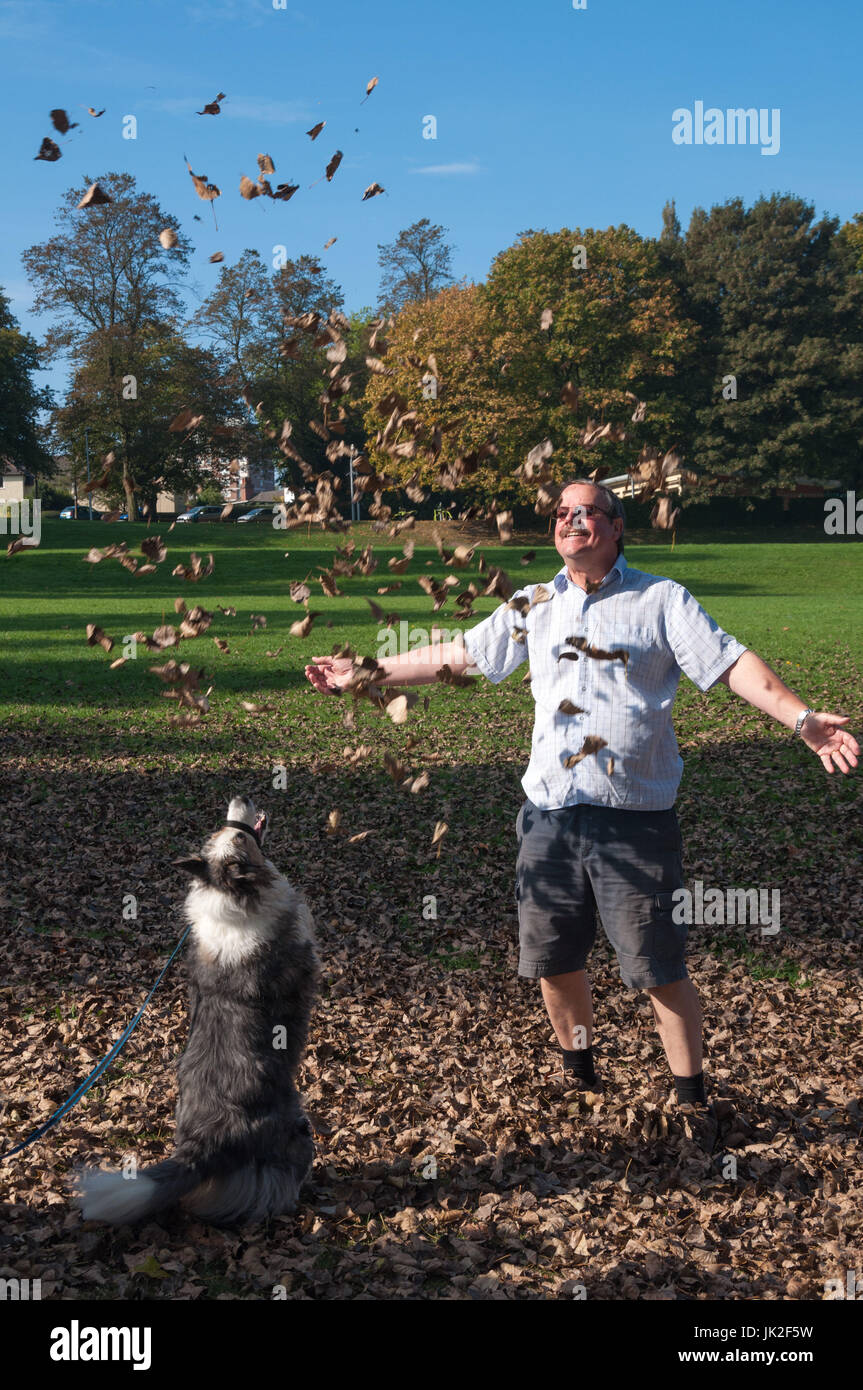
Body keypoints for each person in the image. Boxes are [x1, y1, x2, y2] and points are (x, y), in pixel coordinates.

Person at [305, 480, 858, 1119]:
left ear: (616, 527)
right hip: (550, 817)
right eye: (563, 513)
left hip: (634, 820)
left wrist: (801, 719)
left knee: (657, 965)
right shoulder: (533, 602)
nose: (573, 521)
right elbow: (462, 655)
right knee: (552, 956)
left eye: (588, 512)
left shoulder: (660, 600)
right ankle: (582, 1076)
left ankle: (692, 1100)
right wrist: (364, 672)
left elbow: (730, 663)